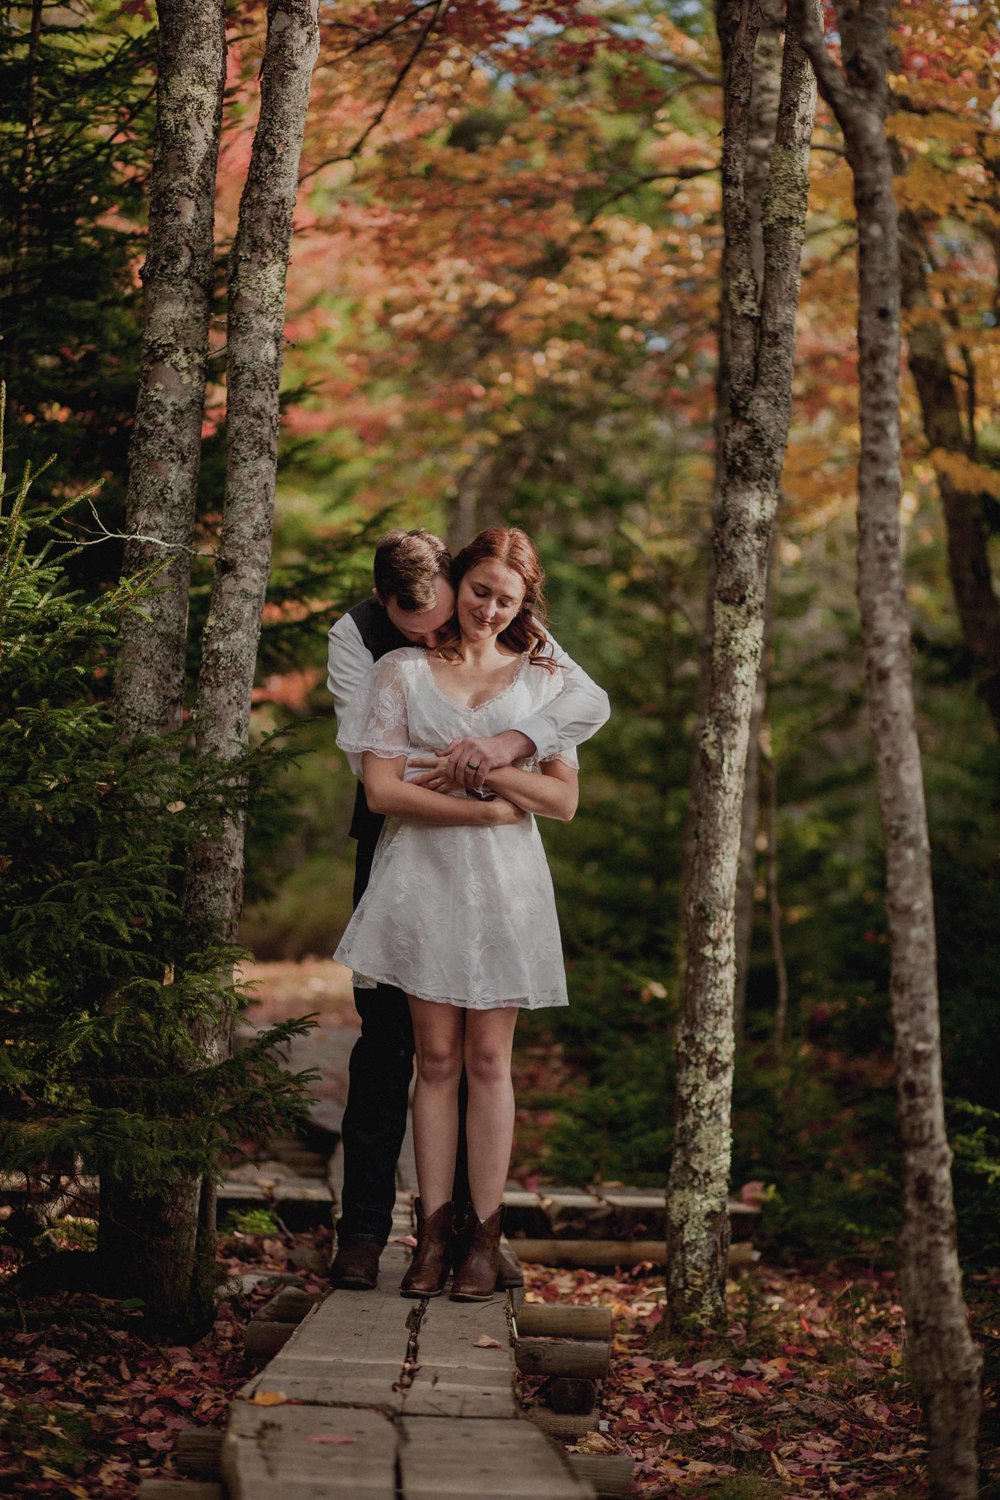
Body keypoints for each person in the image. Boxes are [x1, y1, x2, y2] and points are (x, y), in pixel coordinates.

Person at [326, 527, 609, 1291]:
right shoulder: (390, 664)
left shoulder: (541, 672)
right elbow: (382, 786)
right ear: (455, 582)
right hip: (419, 875)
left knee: (489, 1059)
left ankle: (484, 1238)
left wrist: (489, 763)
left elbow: (563, 799)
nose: (486, 609)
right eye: (478, 591)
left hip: (507, 886)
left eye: (504, 599)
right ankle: (422, 1232)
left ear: (524, 604)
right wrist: (484, 805)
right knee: (432, 1059)